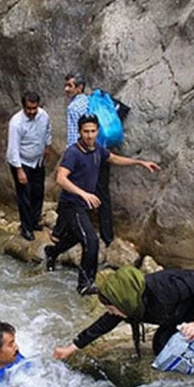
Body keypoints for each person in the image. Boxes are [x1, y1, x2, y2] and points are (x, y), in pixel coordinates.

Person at [53, 266, 194, 371]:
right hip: (184, 311)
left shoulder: (164, 287)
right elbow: (104, 324)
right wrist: (71, 348)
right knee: (161, 348)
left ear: (123, 301)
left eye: (111, 308)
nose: (112, 313)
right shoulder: (131, 303)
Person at [45, 114, 159, 295]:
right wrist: (83, 193)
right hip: (72, 204)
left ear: (98, 131)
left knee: (77, 237)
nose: (89, 135)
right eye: (86, 132)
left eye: (92, 131)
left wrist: (139, 162)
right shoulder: (73, 153)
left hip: (84, 205)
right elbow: (60, 178)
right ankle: (85, 284)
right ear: (80, 132)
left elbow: (113, 158)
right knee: (91, 241)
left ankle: (51, 252)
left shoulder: (97, 149)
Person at [64, 72, 114, 247]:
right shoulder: (92, 100)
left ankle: (71, 232)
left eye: (70, 86)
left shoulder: (73, 108)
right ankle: (108, 236)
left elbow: (72, 138)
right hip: (101, 152)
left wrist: (70, 159)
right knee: (103, 195)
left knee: (76, 194)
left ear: (79, 88)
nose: (66, 89)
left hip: (84, 156)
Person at [7, 91, 54, 241]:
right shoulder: (16, 123)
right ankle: (26, 228)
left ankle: (34, 221)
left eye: (34, 108)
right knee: (24, 195)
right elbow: (13, 148)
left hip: (37, 160)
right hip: (21, 161)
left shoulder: (43, 115)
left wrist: (47, 146)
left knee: (38, 191)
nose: (32, 112)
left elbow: (47, 130)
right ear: (23, 107)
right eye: (29, 109)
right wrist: (19, 171)